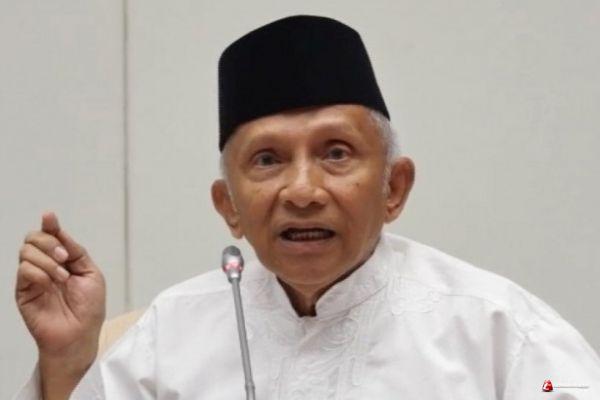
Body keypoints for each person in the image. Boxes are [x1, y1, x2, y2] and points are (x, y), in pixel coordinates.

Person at [13, 15, 600, 400]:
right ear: (229, 206)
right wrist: (67, 361)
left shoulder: (502, 333)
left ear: (394, 188)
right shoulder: (169, 335)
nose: (302, 191)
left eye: (336, 153)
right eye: (267, 159)